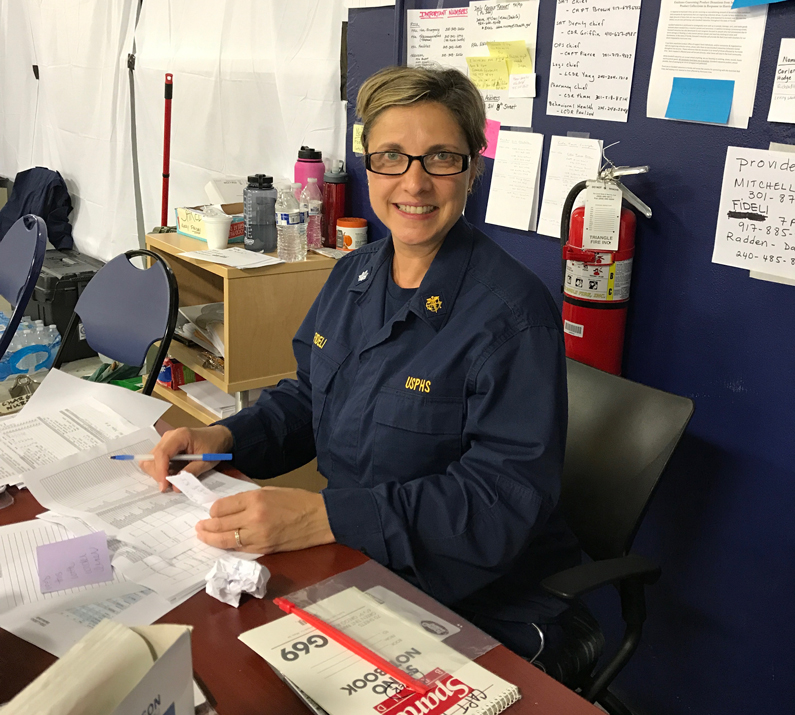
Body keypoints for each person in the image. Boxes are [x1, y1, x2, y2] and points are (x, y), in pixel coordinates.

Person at [144, 66, 581, 671]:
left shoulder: (512, 317)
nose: (416, 182)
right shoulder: (356, 273)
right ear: (369, 167)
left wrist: (326, 517)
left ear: (472, 169)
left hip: (479, 600)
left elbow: (499, 502)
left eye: (442, 158)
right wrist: (223, 439)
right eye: (392, 157)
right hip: (358, 563)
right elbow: (309, 396)